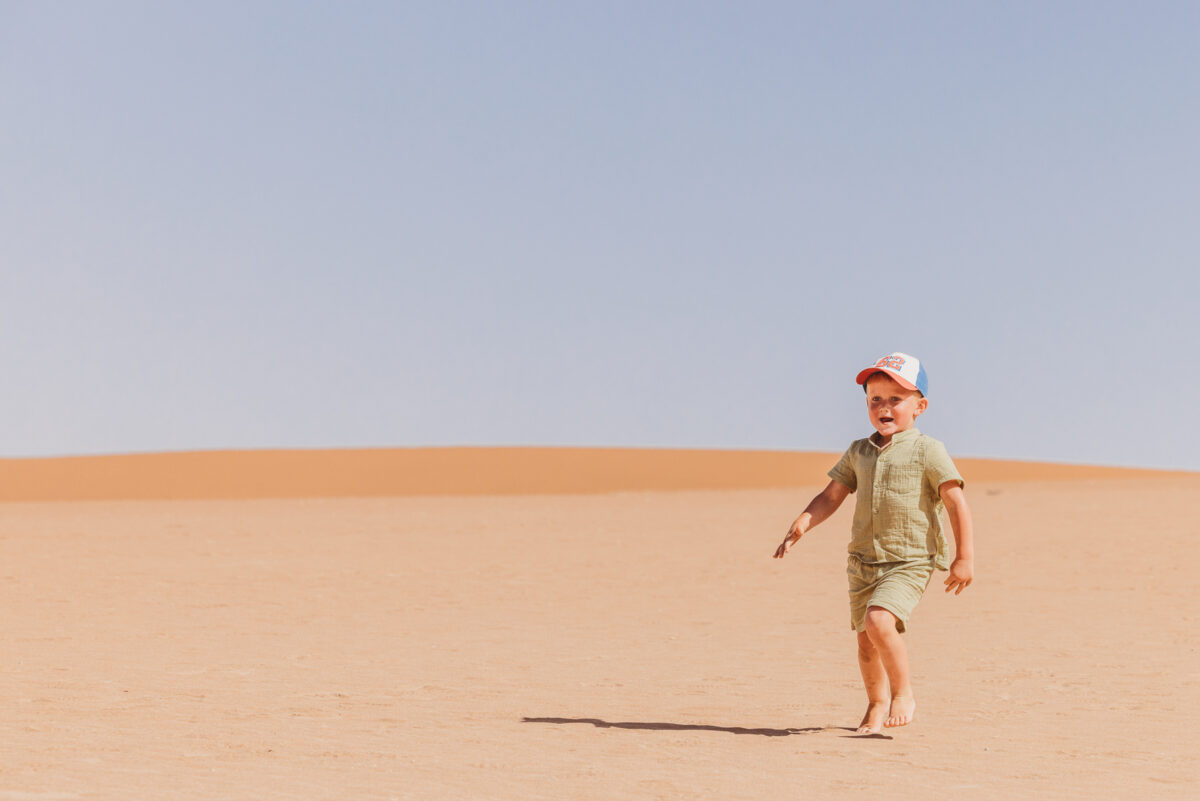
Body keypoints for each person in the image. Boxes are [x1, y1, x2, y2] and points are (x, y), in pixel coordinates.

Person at [773, 352, 974, 734]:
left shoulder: (927, 450)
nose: (884, 407)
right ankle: (876, 702)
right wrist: (803, 521)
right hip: (863, 562)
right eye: (875, 399)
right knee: (866, 642)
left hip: (909, 559)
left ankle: (903, 694)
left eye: (895, 399)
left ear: (920, 406)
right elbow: (832, 496)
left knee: (880, 620)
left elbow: (955, 502)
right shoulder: (858, 452)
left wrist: (965, 557)